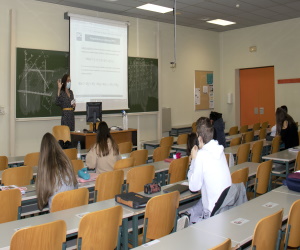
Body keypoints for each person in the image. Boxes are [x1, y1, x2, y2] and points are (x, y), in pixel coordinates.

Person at [186, 117, 232, 223]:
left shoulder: (201, 156)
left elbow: (193, 187)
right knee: (197, 205)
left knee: (187, 222)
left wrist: (193, 160)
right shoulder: (220, 150)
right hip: (226, 207)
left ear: (200, 138)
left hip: (213, 214)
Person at [36, 133, 78, 211]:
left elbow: (42, 199)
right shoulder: (67, 162)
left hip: (56, 214)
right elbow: (76, 186)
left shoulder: (46, 168)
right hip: (72, 209)